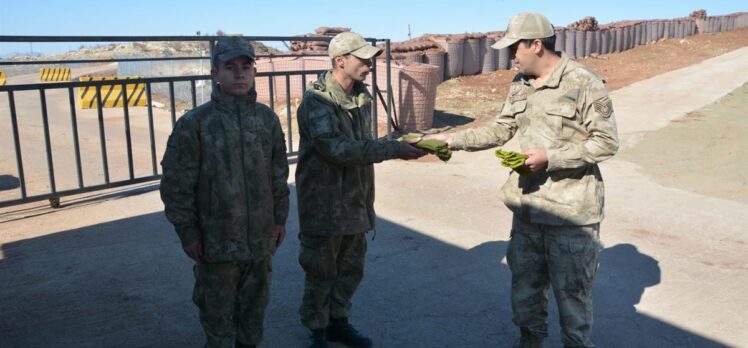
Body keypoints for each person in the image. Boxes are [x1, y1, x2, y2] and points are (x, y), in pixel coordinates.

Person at [426, 12, 619, 348]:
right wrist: (452, 140)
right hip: (528, 208)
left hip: (571, 215)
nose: (510, 55)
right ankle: (529, 341)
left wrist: (551, 158)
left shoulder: (584, 82)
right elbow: (501, 128)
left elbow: (606, 142)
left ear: (536, 45)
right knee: (525, 292)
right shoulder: (520, 83)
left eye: (515, 48)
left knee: (572, 297)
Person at [295, 31, 426, 348]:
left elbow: (362, 146)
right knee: (321, 271)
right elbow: (338, 150)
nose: (369, 64)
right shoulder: (317, 103)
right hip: (324, 204)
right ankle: (318, 330)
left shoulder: (360, 97)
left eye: (370, 59)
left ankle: (339, 322)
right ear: (340, 61)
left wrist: (399, 144)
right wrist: (394, 149)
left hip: (355, 200)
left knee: (350, 270)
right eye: (363, 58)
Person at [160, 36, 289, 348]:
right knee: (217, 320)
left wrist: (279, 220)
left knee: (254, 315)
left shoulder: (266, 120)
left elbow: (278, 175)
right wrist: (188, 233)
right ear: (214, 73)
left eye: (246, 67)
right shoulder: (195, 124)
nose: (240, 74)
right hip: (216, 246)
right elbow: (177, 186)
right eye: (230, 67)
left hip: (259, 242)